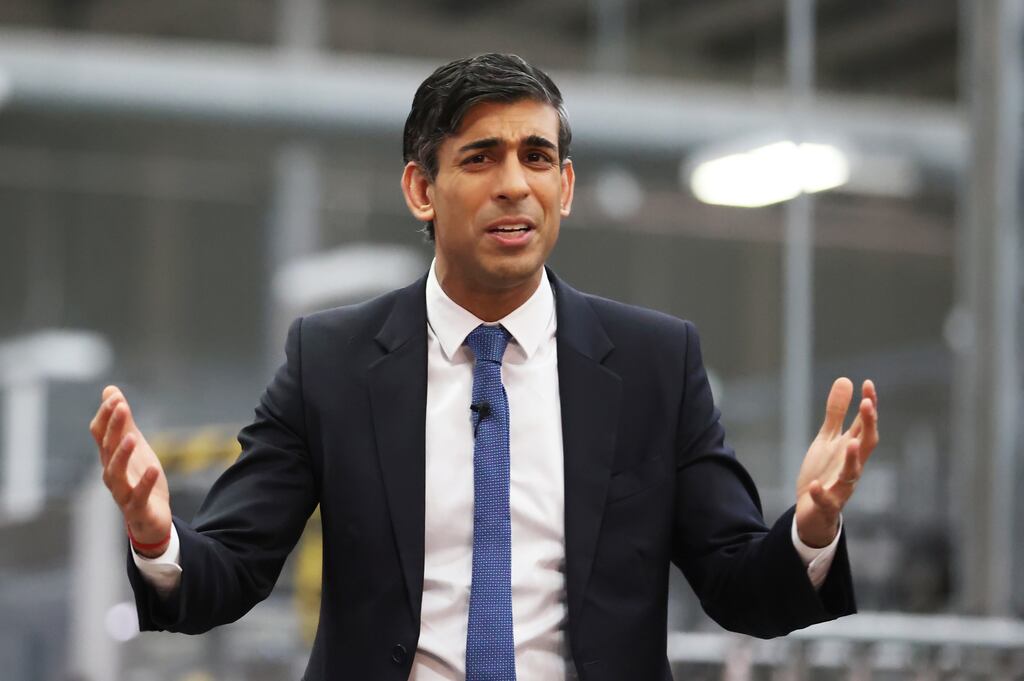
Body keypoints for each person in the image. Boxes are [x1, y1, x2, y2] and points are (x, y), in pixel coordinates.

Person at [89, 54, 879, 681]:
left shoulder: (654, 363)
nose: (514, 184)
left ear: (564, 187)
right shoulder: (330, 360)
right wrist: (161, 541)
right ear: (420, 189)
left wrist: (811, 528)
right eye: (481, 157)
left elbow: (740, 586)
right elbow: (229, 570)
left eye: (538, 157)